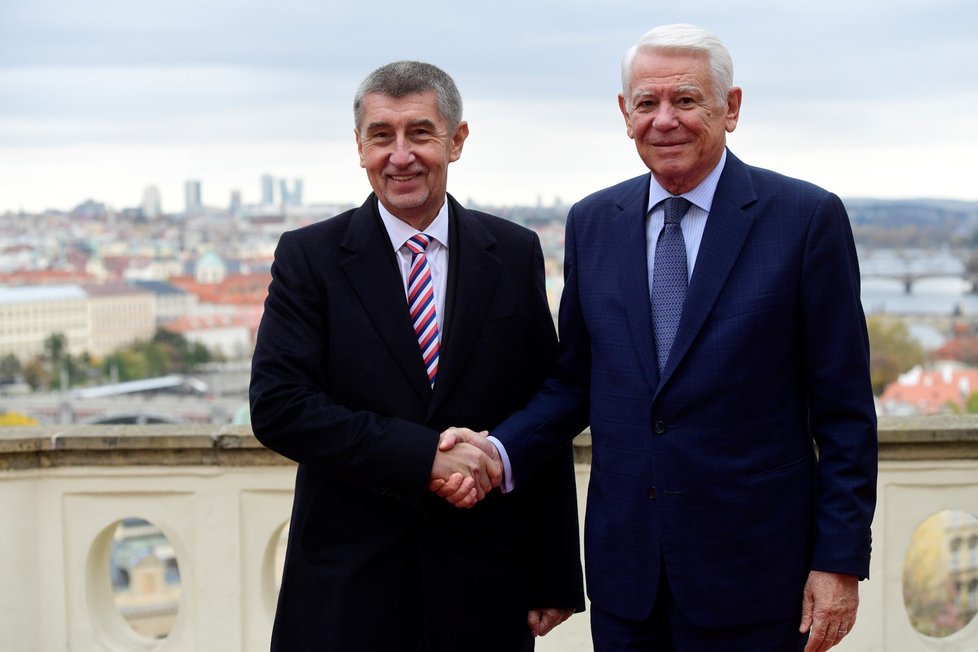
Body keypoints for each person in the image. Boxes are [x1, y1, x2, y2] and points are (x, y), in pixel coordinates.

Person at [436, 24, 877, 652]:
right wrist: (497, 451)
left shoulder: (804, 219)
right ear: (624, 114)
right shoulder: (594, 222)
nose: (663, 120)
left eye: (686, 100)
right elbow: (575, 381)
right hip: (628, 582)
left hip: (758, 579)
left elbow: (845, 414)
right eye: (646, 103)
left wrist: (838, 563)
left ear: (731, 108)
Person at [249, 60, 584, 651]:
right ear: (359, 147)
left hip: (484, 583)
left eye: (420, 133)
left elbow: (544, 408)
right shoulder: (310, 257)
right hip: (350, 588)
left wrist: (553, 571)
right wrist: (424, 456)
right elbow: (279, 407)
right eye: (382, 136)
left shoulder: (512, 251)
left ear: (456, 141)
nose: (400, 155)